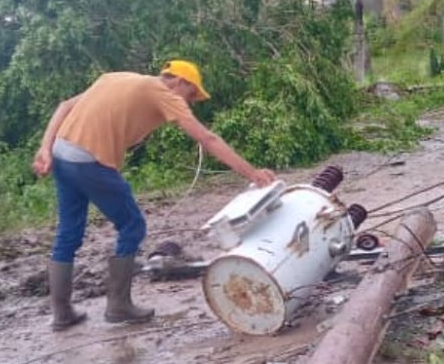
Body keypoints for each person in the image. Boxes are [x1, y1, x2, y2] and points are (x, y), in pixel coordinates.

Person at [31, 60, 277, 331]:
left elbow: (64, 106)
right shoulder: (163, 92)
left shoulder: (116, 76)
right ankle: (118, 306)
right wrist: (251, 173)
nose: (190, 101)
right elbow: (207, 139)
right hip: (89, 161)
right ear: (179, 81)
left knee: (68, 233)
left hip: (62, 153)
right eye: (192, 94)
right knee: (132, 225)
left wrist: (45, 149)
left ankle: (62, 314)